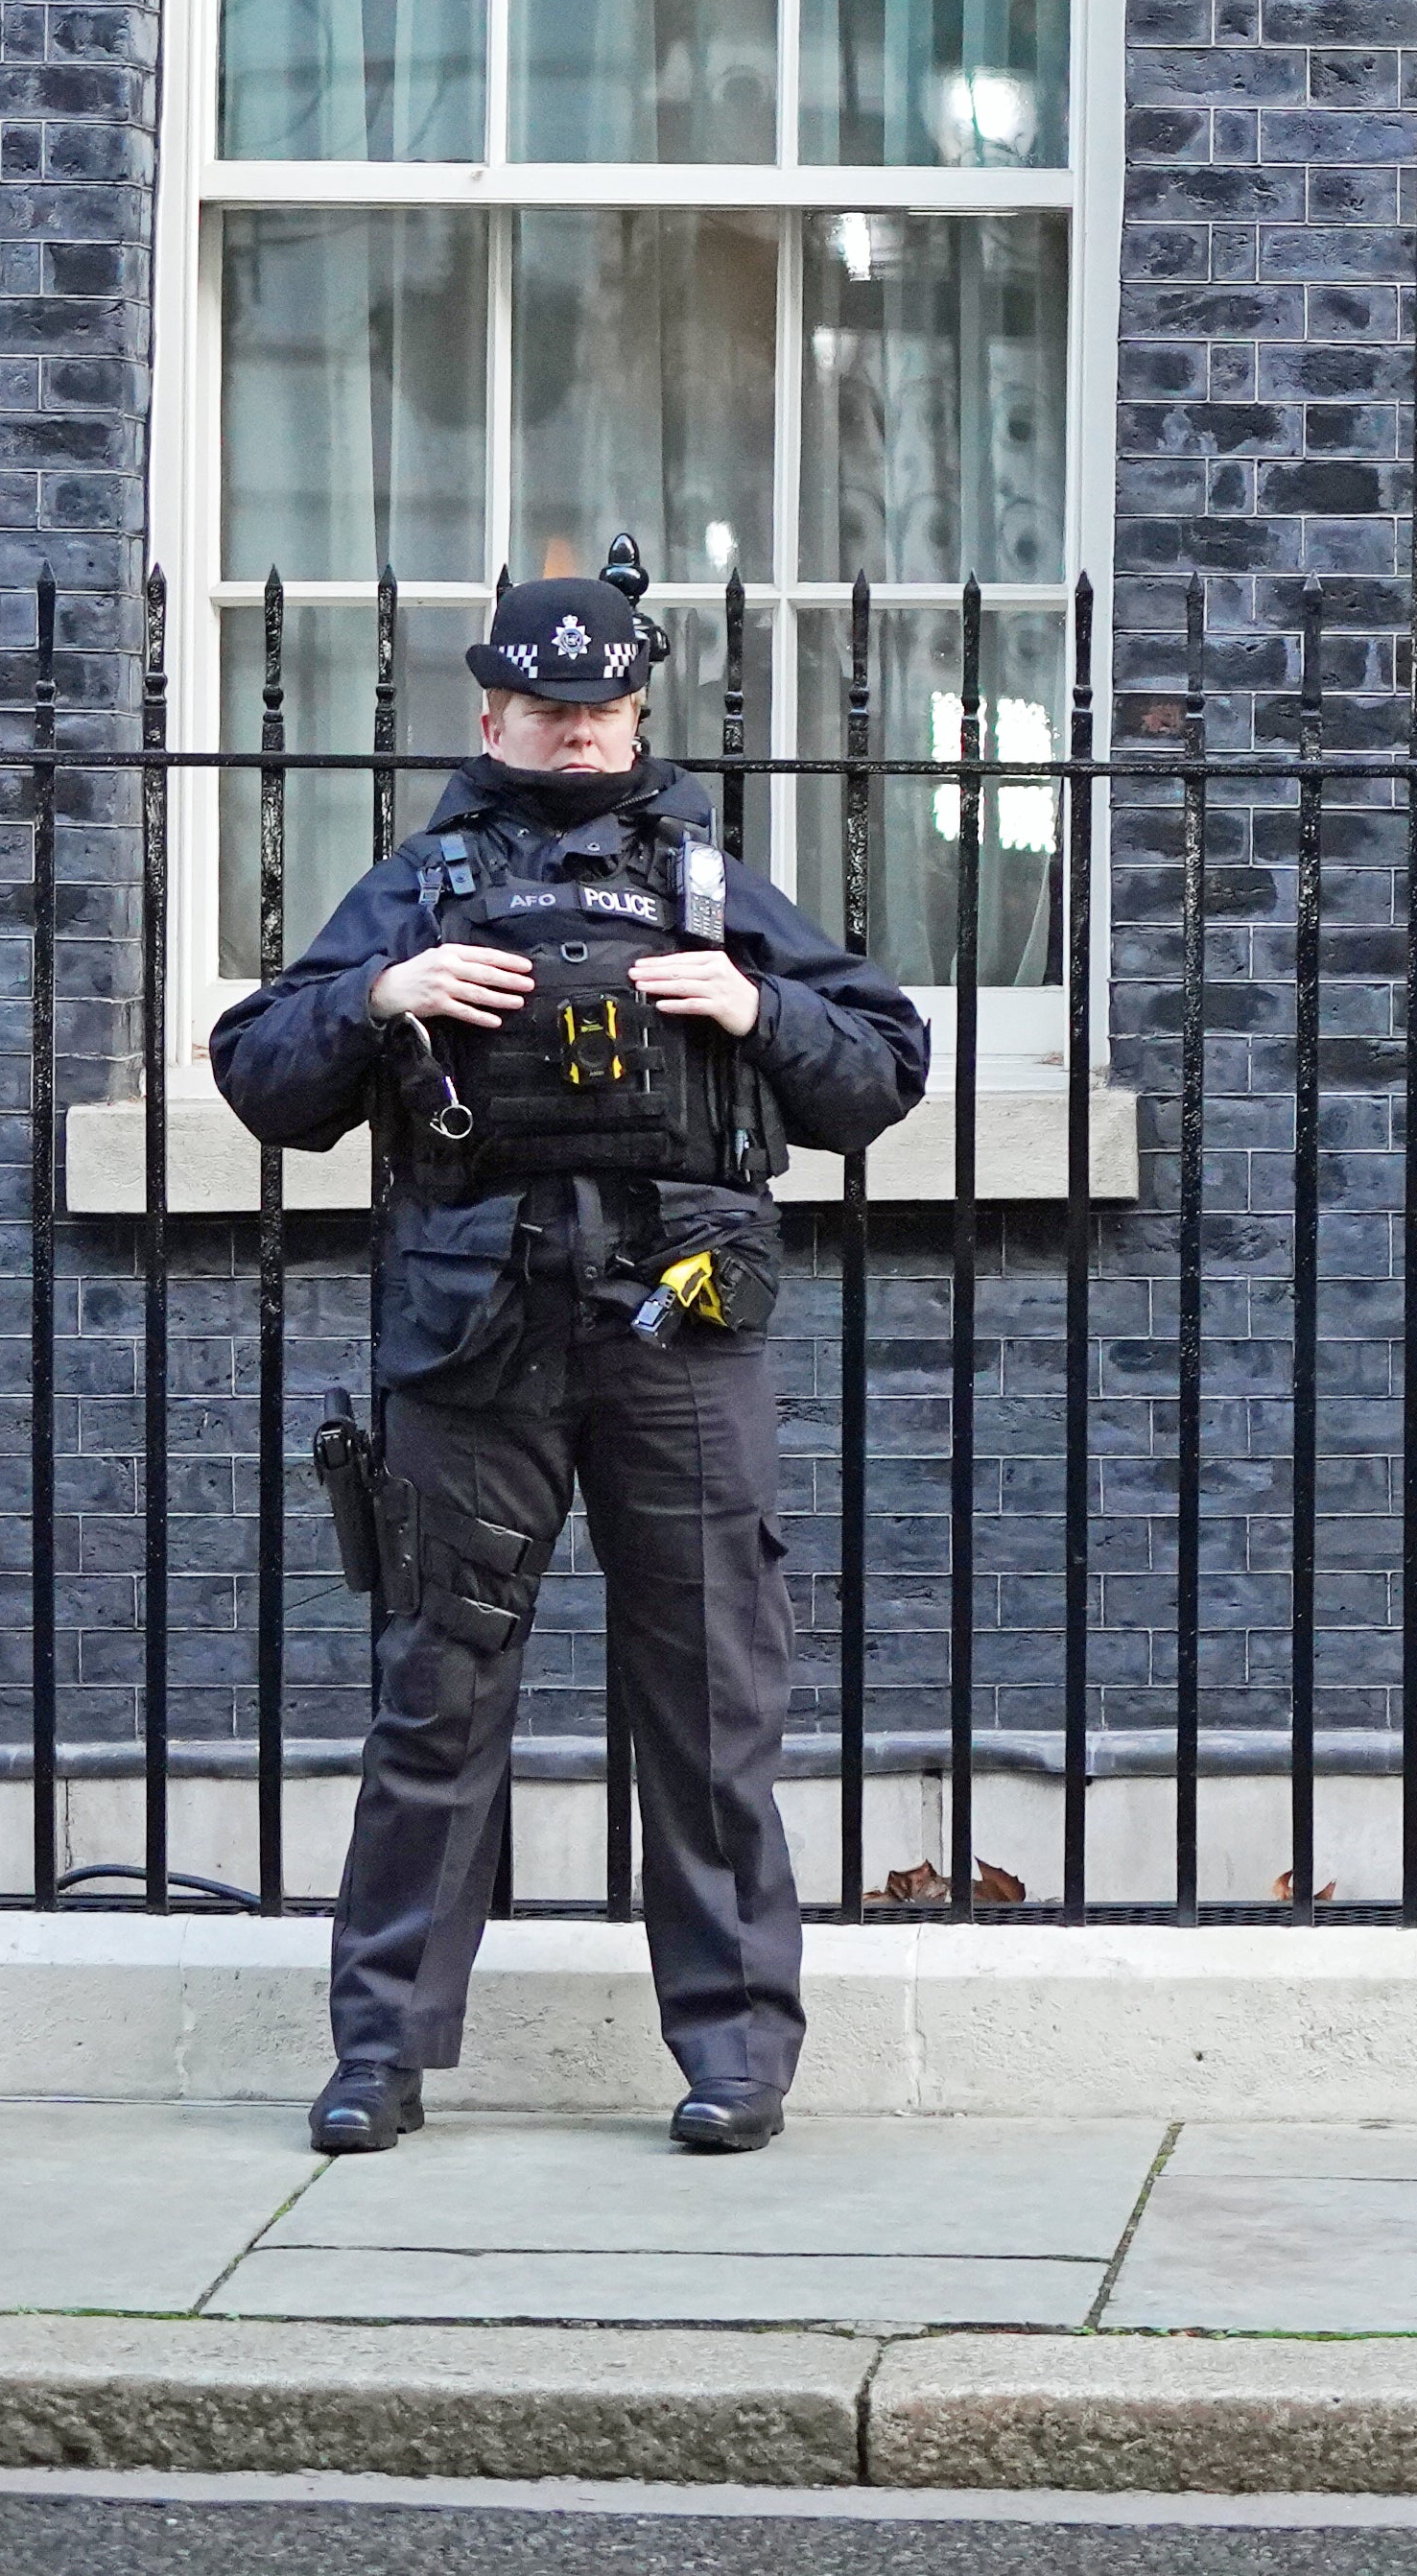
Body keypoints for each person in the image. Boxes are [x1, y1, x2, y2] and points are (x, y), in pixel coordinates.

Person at [210, 543, 927, 2158]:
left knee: (711, 1694)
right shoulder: (420, 882)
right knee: (436, 1696)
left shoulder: (707, 882)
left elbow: (883, 1068)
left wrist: (752, 1010)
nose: (587, 731)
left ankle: (737, 2055)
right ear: (493, 712)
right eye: (551, 707)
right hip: (473, 1332)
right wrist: (381, 993)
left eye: (609, 704)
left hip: (679, 1324)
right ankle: (381, 2055)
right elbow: (262, 1075)